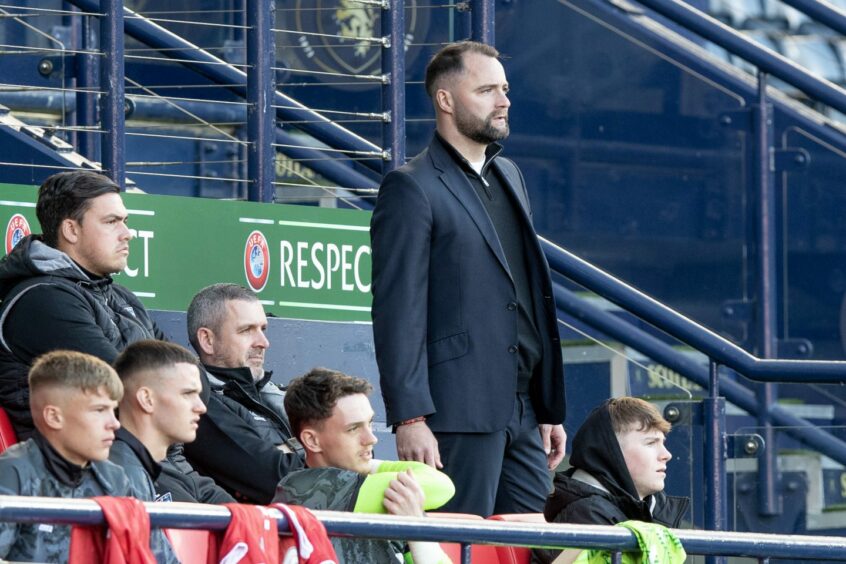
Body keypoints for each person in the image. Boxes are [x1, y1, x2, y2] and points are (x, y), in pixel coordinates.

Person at [370, 40, 566, 516]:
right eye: (486, 90)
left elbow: (523, 296)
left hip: (520, 409)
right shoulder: (411, 186)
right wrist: (409, 416)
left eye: (504, 89)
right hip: (454, 412)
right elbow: (398, 311)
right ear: (445, 100)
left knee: (538, 547)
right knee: (457, 545)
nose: (504, 101)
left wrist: (544, 407)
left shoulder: (510, 176)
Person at [0, 170, 163, 440]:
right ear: (71, 230)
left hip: (152, 461)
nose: (127, 234)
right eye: (112, 221)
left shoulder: (123, 298)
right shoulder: (42, 300)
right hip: (90, 472)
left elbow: (185, 378)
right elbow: (130, 389)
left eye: (125, 221)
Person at [0, 350, 174, 562]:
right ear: (54, 417)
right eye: (99, 410)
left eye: (113, 410)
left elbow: (156, 557)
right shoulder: (11, 473)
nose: (115, 423)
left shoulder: (116, 478)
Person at [274, 368, 454, 564]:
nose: (372, 439)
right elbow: (441, 486)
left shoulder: (385, 499)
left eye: (369, 424)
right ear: (312, 441)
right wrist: (371, 467)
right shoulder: (302, 487)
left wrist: (417, 529)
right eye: (353, 429)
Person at [184, 283, 304, 503]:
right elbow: (278, 481)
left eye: (263, 329)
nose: (263, 343)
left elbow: (351, 448)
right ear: (208, 340)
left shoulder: (275, 393)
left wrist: (288, 450)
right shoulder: (200, 403)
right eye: (246, 330)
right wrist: (308, 448)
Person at [532, 397, 690, 564]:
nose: (666, 455)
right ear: (613, 454)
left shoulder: (647, 510)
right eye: (651, 443)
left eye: (663, 443)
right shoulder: (588, 515)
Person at [111, 339, 234, 504]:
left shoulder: (171, 471)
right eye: (187, 393)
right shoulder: (117, 477)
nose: (201, 407)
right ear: (147, 399)